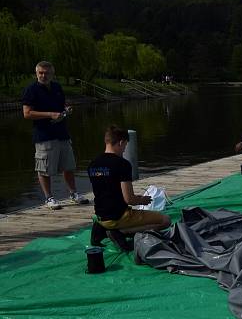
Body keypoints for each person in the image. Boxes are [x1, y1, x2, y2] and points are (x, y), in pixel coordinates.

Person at [88, 125, 171, 250]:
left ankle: (102, 227)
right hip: (119, 216)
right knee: (165, 220)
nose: (124, 150)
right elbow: (129, 199)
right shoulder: (122, 164)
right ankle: (120, 232)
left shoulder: (92, 164)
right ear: (121, 142)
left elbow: (105, 190)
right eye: (125, 146)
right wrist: (142, 200)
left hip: (100, 215)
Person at [21, 61, 89, 210]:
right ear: (36, 73)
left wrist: (66, 109)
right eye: (41, 73)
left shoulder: (57, 87)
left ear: (52, 74)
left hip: (62, 133)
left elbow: (61, 105)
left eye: (47, 73)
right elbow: (27, 113)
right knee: (45, 168)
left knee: (68, 165)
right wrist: (49, 115)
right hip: (44, 135)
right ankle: (49, 198)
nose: (44, 75)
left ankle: (73, 194)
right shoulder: (31, 90)